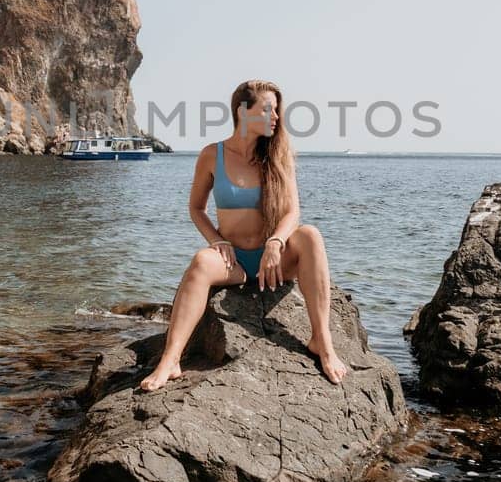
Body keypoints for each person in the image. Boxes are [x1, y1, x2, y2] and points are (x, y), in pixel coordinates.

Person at [138, 78, 350, 391]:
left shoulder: (279, 156)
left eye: (276, 111)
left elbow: (293, 211)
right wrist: (217, 241)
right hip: (233, 262)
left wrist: (276, 242)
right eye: (267, 110)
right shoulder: (213, 155)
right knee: (199, 261)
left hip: (273, 262)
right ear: (242, 110)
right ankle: (171, 359)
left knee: (311, 236)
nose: (275, 117)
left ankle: (322, 342)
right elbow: (196, 208)